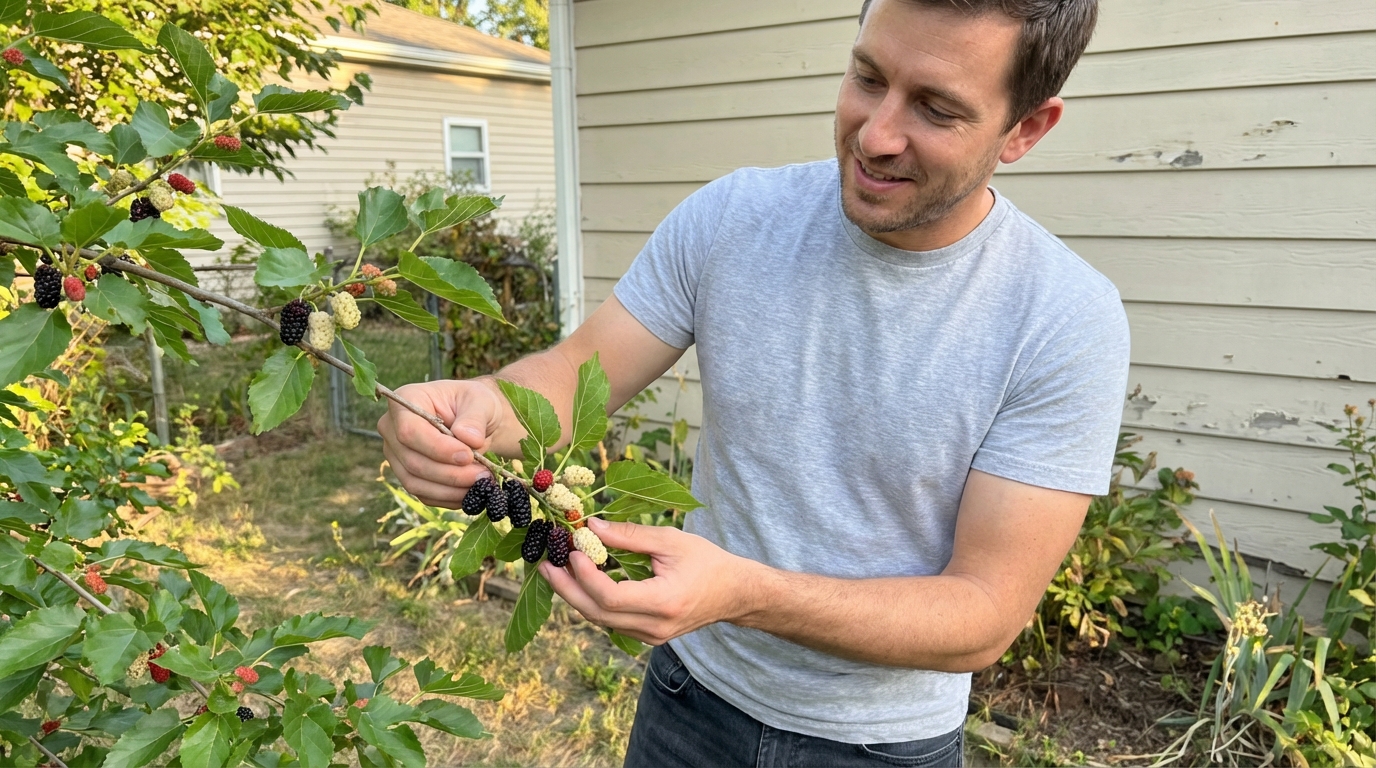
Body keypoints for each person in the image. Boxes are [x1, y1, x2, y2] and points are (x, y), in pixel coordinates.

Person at [379, 0, 1127, 764]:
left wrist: (744, 594)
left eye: (936, 109)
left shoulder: (1064, 320)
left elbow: (984, 611)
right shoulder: (733, 217)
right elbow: (575, 374)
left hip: (878, 747)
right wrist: (479, 406)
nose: (876, 135)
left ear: (1025, 129)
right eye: (868, 78)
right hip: (687, 701)